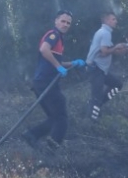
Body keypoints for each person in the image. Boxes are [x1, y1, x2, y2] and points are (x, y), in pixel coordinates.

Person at [21, 10, 86, 151]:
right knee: (61, 117)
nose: (65, 24)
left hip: (40, 83)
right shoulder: (54, 35)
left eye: (68, 23)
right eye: (63, 21)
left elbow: (54, 61)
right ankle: (53, 147)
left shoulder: (59, 40)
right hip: (46, 83)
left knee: (54, 118)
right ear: (56, 21)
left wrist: (73, 63)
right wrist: (58, 67)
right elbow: (44, 50)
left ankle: (31, 135)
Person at [86, 12, 128, 120]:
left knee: (117, 85)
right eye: (113, 19)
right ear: (107, 21)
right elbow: (104, 52)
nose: (116, 21)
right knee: (96, 98)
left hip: (101, 70)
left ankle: (97, 105)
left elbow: (112, 51)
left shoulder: (105, 32)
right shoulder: (105, 33)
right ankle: (91, 123)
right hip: (96, 68)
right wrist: (116, 46)